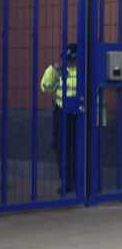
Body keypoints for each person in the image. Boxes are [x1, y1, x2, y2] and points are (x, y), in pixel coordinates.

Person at [40, 43, 79, 193]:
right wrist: (52, 70)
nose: (69, 62)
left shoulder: (84, 72)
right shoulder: (59, 71)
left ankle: (77, 183)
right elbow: (45, 87)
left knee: (76, 149)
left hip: (77, 114)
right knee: (62, 148)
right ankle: (66, 182)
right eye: (67, 59)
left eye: (71, 59)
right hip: (62, 113)